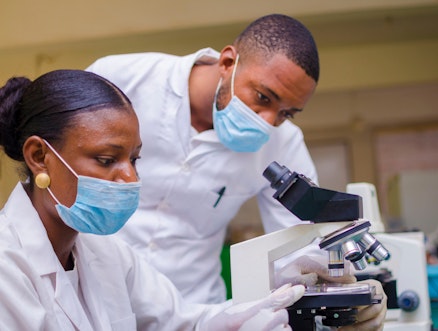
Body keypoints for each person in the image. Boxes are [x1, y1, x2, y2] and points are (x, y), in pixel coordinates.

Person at [87, 13, 387, 329]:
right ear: (228, 62)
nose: (268, 120)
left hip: (198, 311)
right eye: (262, 97)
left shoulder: (282, 143)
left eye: (286, 113)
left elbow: (301, 242)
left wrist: (349, 284)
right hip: (95, 299)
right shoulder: (121, 78)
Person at [0, 69, 306, 330]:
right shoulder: (7, 264)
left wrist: (260, 306)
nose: (131, 179)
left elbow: (183, 322)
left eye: (134, 159)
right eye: (107, 160)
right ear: (39, 157)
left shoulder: (107, 253)